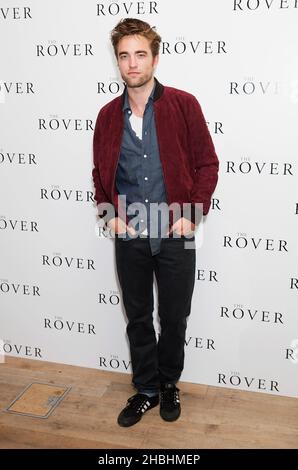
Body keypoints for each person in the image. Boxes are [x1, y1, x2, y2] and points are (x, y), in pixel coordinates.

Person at [92, 18, 219, 427]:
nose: (132, 64)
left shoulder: (184, 105)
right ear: (117, 62)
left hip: (174, 232)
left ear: (155, 58)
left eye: (140, 54)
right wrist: (109, 215)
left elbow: (206, 164)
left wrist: (193, 214)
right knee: (139, 316)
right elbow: (99, 174)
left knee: (175, 317)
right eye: (124, 56)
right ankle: (145, 388)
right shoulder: (107, 116)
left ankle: (168, 384)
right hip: (129, 235)